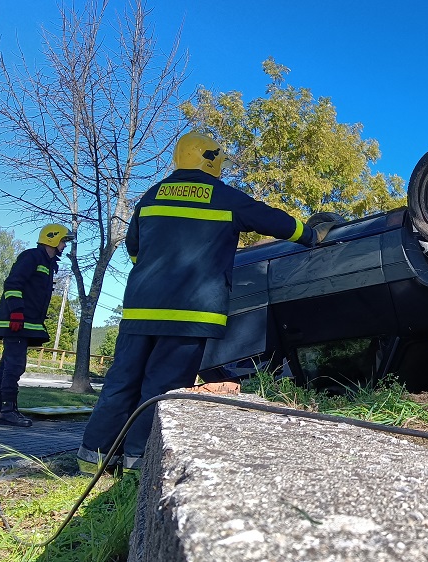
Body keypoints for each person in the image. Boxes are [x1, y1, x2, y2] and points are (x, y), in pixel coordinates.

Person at [77, 131, 323, 475]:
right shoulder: (224, 197)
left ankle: (93, 459)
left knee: (122, 381)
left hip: (140, 310)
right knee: (160, 389)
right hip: (188, 314)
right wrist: (311, 234)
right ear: (211, 160)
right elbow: (273, 220)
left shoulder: (151, 195)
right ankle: (138, 464)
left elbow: (134, 249)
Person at [0, 224, 73, 427]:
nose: (64, 245)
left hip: (24, 321)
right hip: (16, 321)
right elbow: (12, 284)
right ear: (52, 238)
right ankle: (7, 411)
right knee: (15, 366)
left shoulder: (47, 263)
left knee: (7, 365)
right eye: (63, 241)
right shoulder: (31, 257)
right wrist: (16, 312)